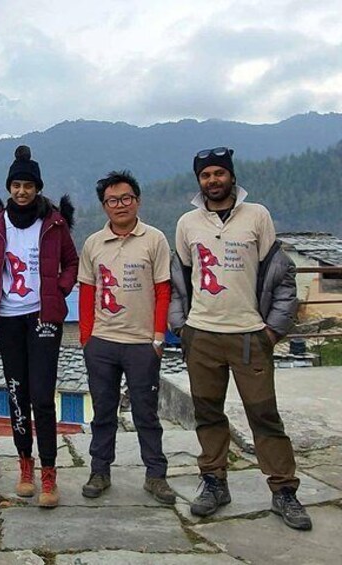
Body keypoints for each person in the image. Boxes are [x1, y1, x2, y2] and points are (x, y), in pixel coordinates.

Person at [170, 147, 310, 530]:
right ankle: (214, 482)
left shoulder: (257, 216)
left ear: (231, 176)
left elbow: (282, 277)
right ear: (198, 181)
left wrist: (272, 330)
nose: (213, 180)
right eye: (205, 175)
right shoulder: (187, 223)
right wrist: (182, 327)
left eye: (219, 173)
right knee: (207, 414)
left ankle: (284, 490)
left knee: (264, 415)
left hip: (250, 335)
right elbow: (179, 281)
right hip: (202, 335)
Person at [0, 145, 79, 508]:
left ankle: (49, 473)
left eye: (28, 186)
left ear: (38, 188)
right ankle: (25, 467)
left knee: (42, 396)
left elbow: (72, 262)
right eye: (16, 185)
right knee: (16, 393)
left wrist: (58, 289)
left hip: (43, 317)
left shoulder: (53, 223)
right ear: (9, 187)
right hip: (7, 319)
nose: (22, 192)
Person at [77, 170, 176, 504]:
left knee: (146, 413)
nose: (120, 205)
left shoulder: (155, 239)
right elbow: (86, 292)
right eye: (112, 200)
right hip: (102, 342)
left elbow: (163, 290)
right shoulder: (93, 243)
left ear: (138, 201)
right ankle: (100, 471)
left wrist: (158, 338)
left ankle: (156, 475)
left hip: (142, 343)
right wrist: (87, 339)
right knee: (103, 411)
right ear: (104, 206)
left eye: (126, 198)